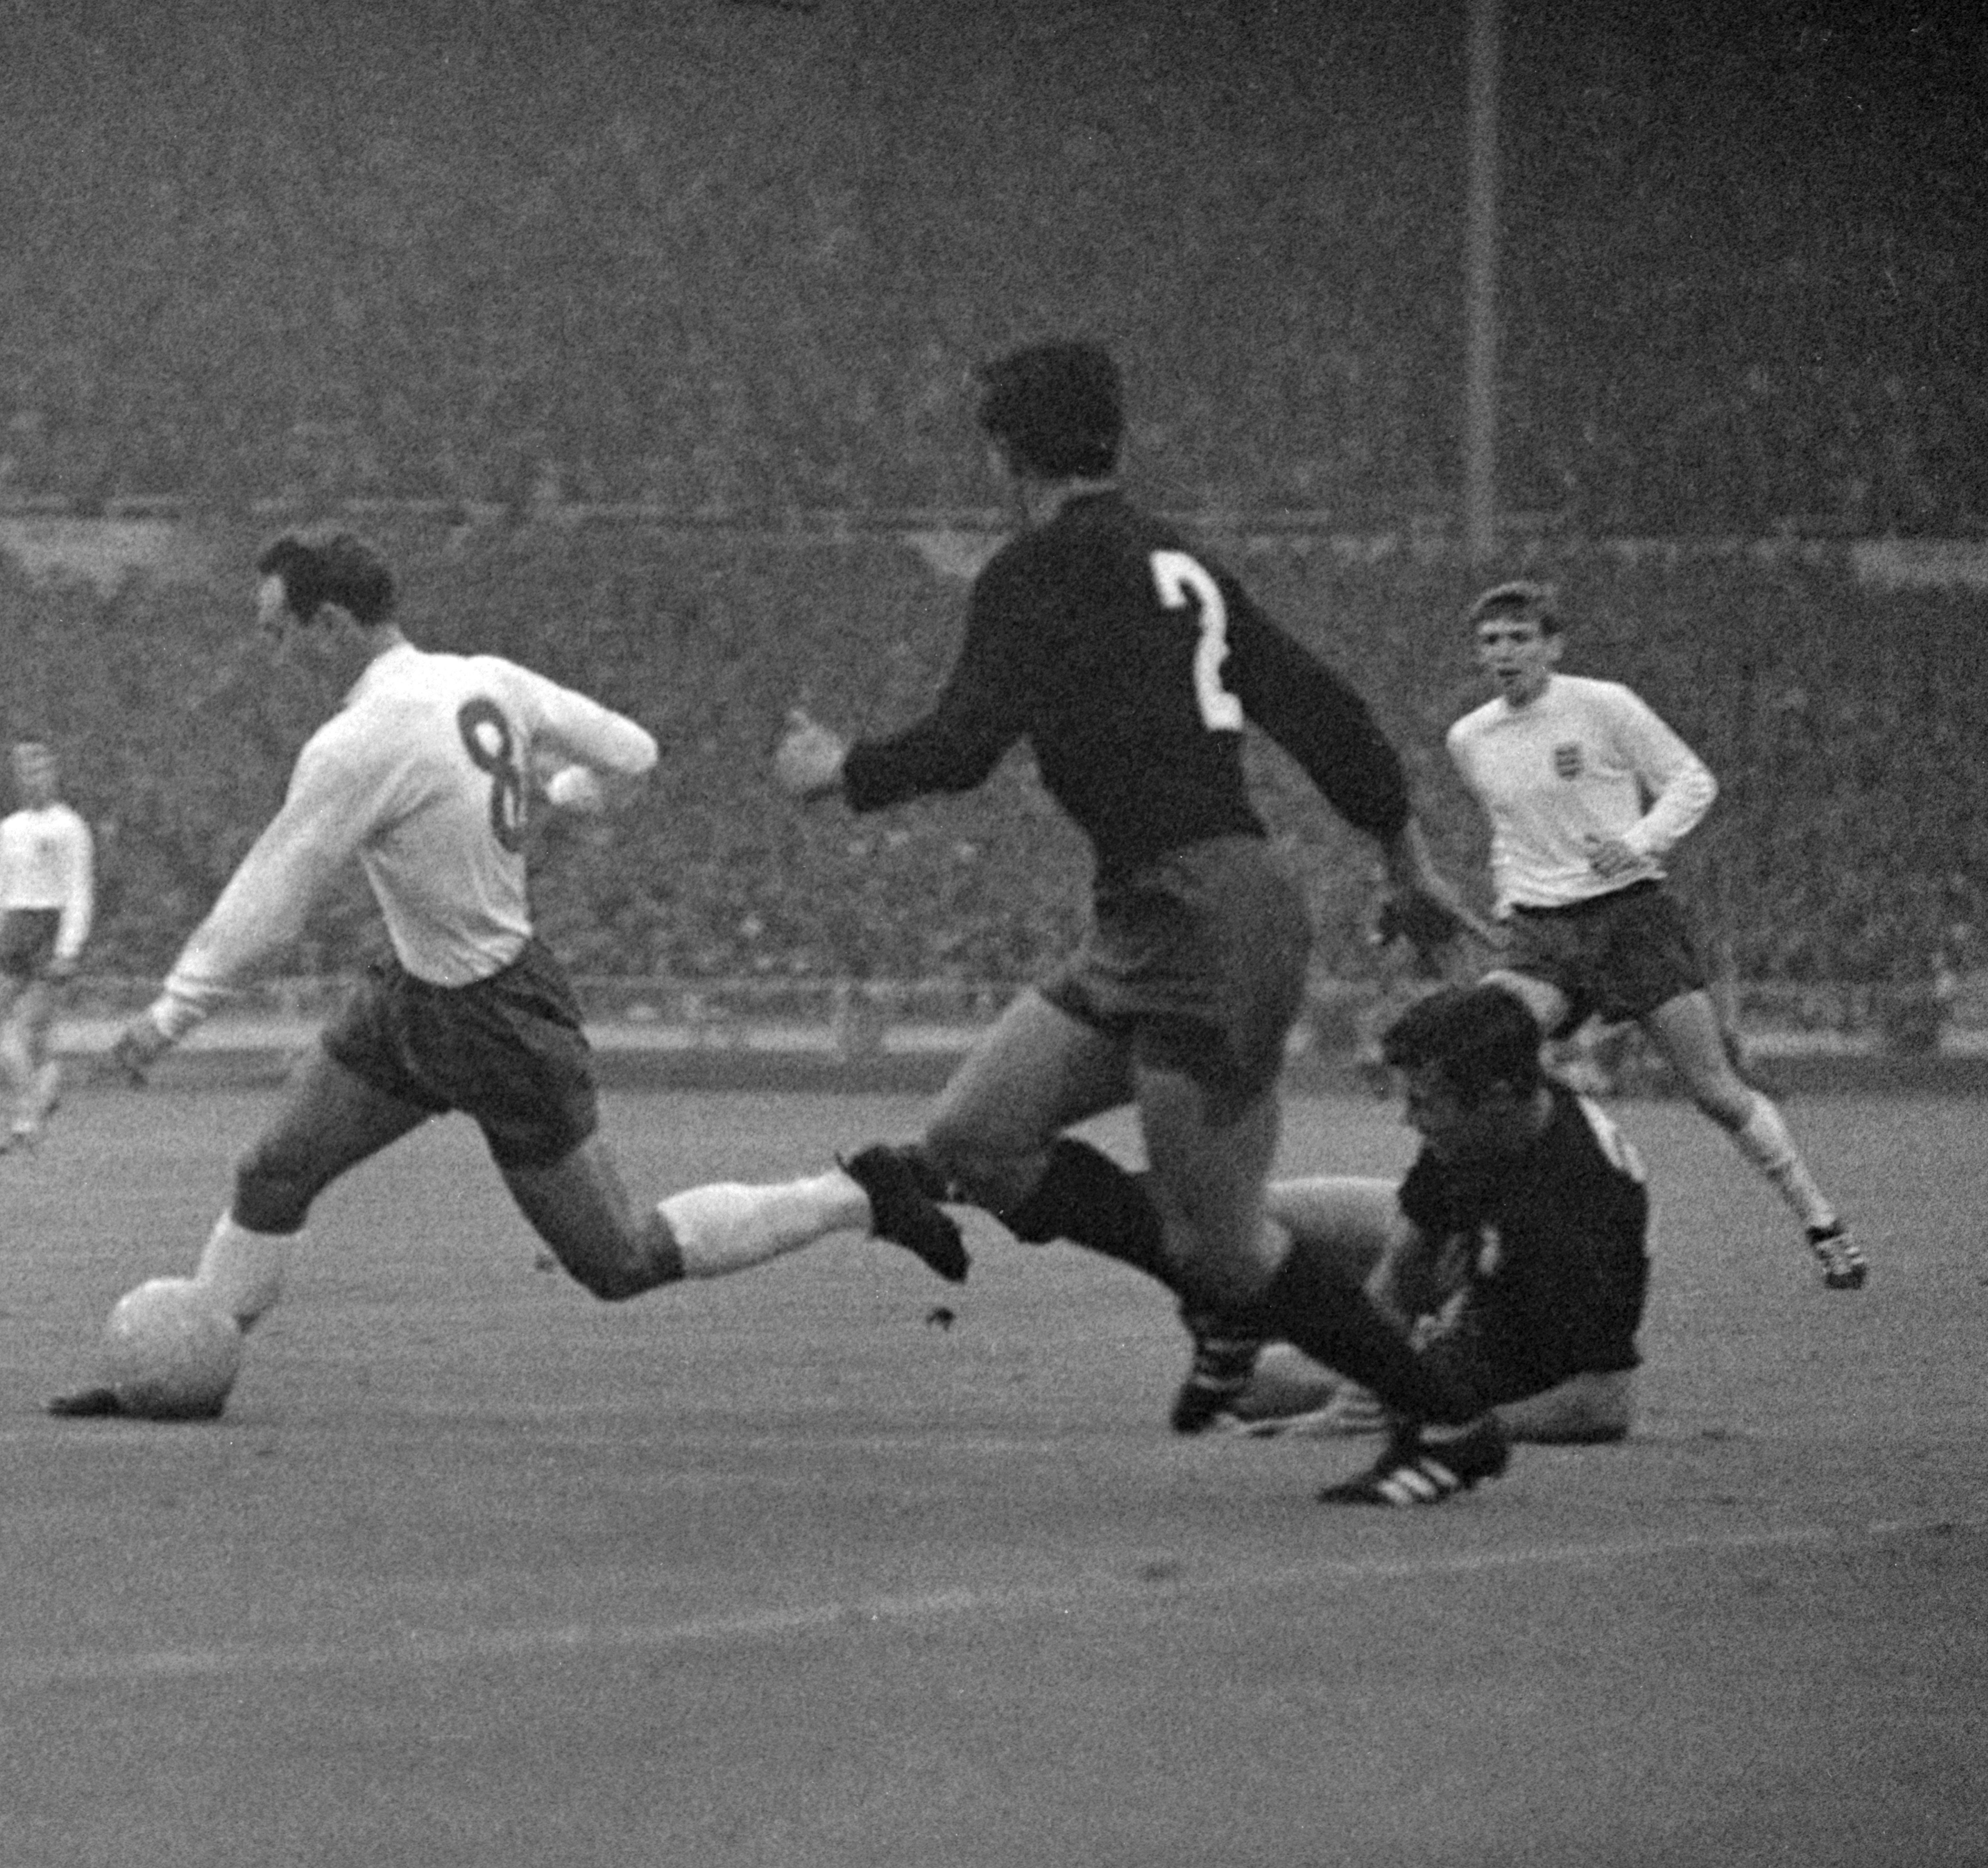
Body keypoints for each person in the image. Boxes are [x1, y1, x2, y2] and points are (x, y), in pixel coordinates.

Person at [745, 338, 1509, 1506]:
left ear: (1003, 449)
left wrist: (837, 771)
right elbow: (1320, 708)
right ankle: (1230, 1296)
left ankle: (1446, 1420)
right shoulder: (1179, 562)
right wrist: (1402, 859)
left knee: (1226, 1247)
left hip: (1207, 919)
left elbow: (960, 747)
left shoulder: (1033, 571)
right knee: (974, 1142)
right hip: (1162, 912)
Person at [46, 531, 963, 1420]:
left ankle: (854, 1194)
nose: (272, 653)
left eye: (277, 632)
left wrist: (165, 1019)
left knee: (620, 1260)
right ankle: (190, 1364)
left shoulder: (361, 738)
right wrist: (563, 795)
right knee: (273, 1174)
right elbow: (635, 753)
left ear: (329, 624)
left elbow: (271, 897)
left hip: (493, 1019)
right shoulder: (487, 678)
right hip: (412, 993)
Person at [1449, 579, 1861, 1291]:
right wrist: (1510, 903)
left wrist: (1641, 842)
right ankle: (1497, 1237)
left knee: (1714, 1091)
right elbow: (1508, 834)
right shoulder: (1470, 737)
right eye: (1492, 640)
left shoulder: (1604, 705)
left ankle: (1822, 1220)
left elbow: (1691, 781)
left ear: (1553, 645)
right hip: (1542, 930)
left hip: (1631, 917)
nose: (1505, 652)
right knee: (1480, 1050)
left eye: (1520, 637)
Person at [1218, 984, 1650, 1447]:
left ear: (1497, 1097)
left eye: (1422, 1102)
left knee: (1261, 1380)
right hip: (1479, 1276)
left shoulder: (1582, 1206)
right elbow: (1403, 1269)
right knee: (1244, 1223)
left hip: (1505, 1350)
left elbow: (1602, 1405)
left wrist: (1436, 1418)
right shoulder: (1484, 1122)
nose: (1408, 1120)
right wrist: (1358, 1390)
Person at [0, 738, 94, 1154]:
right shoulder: (8, 829)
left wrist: (69, 948)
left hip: (50, 927)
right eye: (24, 769)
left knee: (32, 1035)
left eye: (39, 767)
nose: (32, 776)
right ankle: (41, 1095)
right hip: (14, 926)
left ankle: (26, 1117)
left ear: (54, 772)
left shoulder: (70, 827)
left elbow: (79, 889)